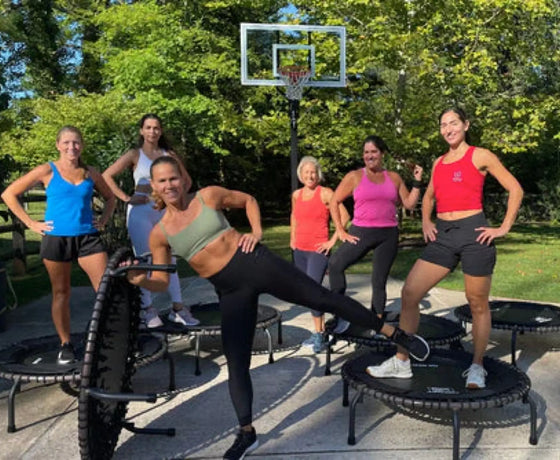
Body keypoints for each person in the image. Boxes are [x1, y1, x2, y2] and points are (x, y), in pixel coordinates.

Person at [125, 156, 430, 460]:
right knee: (237, 362)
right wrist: (139, 278)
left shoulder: (208, 196)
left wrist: (256, 232)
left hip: (256, 263)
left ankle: (394, 334)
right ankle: (246, 433)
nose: (169, 185)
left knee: (321, 298)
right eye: (162, 181)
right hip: (230, 292)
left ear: (182, 177)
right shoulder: (160, 233)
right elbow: (162, 282)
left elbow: (249, 200)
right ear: (153, 186)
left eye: (173, 178)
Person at [367, 107, 523, 389]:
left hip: (474, 232)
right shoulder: (439, 162)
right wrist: (426, 221)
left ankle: (477, 366)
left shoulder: (480, 155)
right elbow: (427, 198)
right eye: (443, 124)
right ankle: (402, 361)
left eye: (453, 123)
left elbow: (515, 188)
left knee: (477, 303)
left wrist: (503, 227)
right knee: (410, 292)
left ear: (465, 125)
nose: (448, 128)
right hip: (444, 237)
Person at [1, 126, 115, 364]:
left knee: (106, 289)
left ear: (81, 146)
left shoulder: (90, 172)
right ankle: (65, 344)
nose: (71, 147)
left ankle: (109, 337)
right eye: (66, 142)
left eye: (76, 142)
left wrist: (103, 219)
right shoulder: (46, 170)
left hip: (88, 238)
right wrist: (31, 223)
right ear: (58, 145)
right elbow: (9, 193)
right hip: (56, 239)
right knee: (61, 292)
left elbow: (110, 197)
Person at [102, 114, 199, 328]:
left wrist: (175, 199)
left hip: (164, 210)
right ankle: (147, 309)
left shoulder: (168, 154)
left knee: (170, 258)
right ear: (141, 131)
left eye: (156, 128)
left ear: (161, 131)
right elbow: (106, 176)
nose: (152, 132)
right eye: (148, 127)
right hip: (140, 210)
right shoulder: (134, 154)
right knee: (145, 258)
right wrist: (127, 197)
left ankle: (178, 307)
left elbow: (187, 181)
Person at [328, 135, 423, 332]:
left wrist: (417, 182)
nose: (369, 156)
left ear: (382, 154)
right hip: (361, 231)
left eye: (373, 152)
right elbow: (334, 201)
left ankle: (377, 324)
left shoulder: (394, 177)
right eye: (366, 152)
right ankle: (341, 314)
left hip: (387, 235)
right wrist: (340, 230)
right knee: (336, 264)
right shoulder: (354, 176)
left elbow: (409, 203)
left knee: (378, 282)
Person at [290, 156, 349, 353]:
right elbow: (294, 216)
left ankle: (321, 334)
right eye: (306, 172)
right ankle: (321, 330)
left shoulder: (325, 193)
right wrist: (292, 239)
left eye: (313, 172)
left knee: (312, 290)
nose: (310, 176)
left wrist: (333, 240)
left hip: (318, 250)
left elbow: (345, 215)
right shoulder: (296, 195)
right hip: (300, 249)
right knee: (306, 293)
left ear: (318, 174)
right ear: (301, 174)